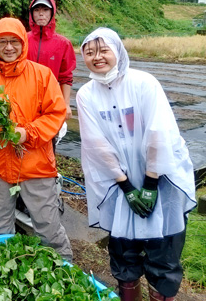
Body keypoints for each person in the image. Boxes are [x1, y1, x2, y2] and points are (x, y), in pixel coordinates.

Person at [76, 28, 196, 301]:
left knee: (163, 251)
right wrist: (126, 185)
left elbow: (159, 133)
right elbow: (96, 145)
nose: (97, 57)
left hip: (162, 176)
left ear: (117, 51)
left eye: (103, 50)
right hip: (120, 182)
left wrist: (151, 182)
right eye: (90, 52)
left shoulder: (144, 83)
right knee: (124, 252)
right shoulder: (86, 95)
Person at [0, 17, 73, 262]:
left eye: (14, 41)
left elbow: (55, 114)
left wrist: (27, 133)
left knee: (47, 224)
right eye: (2, 42)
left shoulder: (42, 75)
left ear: (23, 43)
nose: (9, 47)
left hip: (36, 166)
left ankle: (64, 270)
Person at [27, 0, 76, 120]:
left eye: (45, 10)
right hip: (25, 98)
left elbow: (66, 77)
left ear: (52, 13)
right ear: (31, 14)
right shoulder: (22, 40)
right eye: (37, 10)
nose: (41, 14)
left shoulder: (63, 43)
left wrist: (66, 104)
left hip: (51, 101)